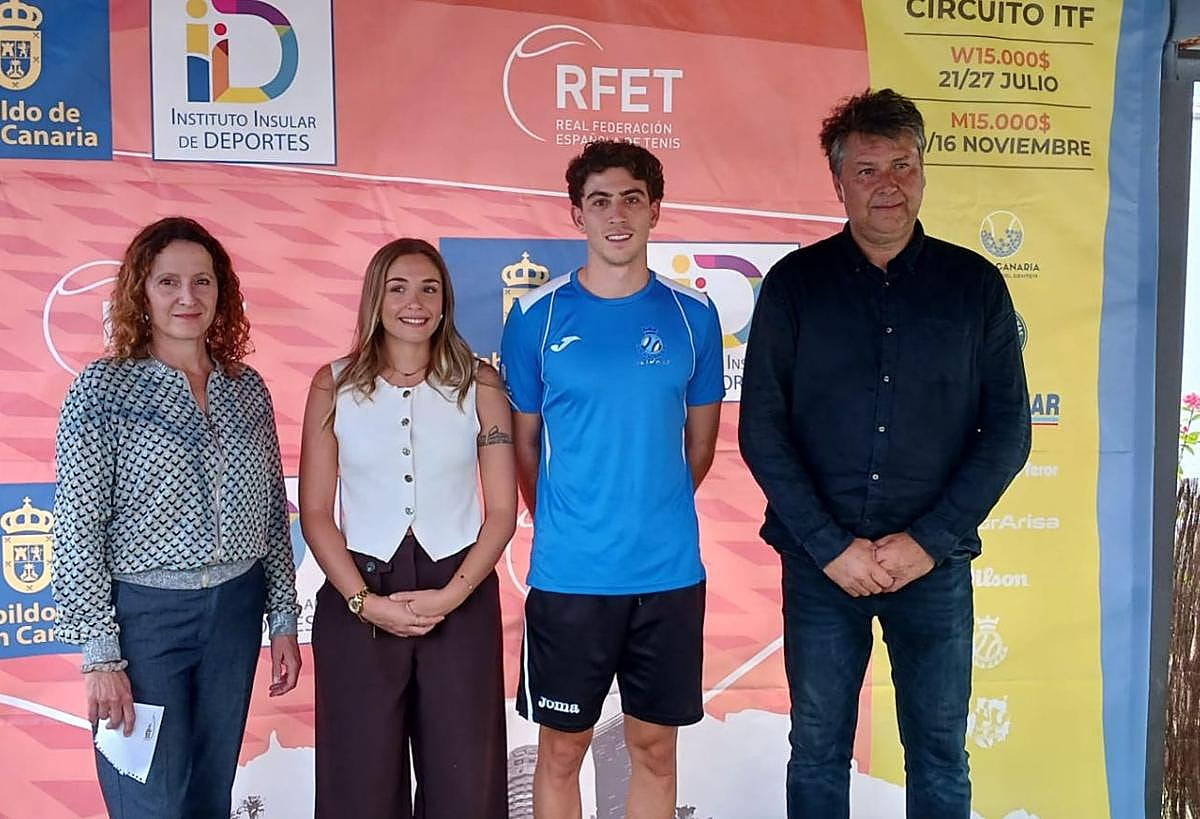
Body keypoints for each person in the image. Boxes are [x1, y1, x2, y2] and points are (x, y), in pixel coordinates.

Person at [738, 88, 1032, 818]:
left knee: (939, 753)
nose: (889, 184)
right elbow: (762, 430)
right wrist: (830, 545)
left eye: (903, 164)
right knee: (816, 749)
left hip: (933, 568)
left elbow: (1009, 432)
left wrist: (928, 542)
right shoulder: (794, 286)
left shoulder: (976, 288)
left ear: (924, 170)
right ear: (838, 183)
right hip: (820, 565)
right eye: (868, 170)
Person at [501, 139, 724, 818]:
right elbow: (524, 444)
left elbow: (702, 445)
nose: (617, 214)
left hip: (667, 575)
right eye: (600, 200)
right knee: (562, 749)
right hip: (571, 577)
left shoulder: (695, 315)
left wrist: (647, 510)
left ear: (656, 209)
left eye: (632, 197)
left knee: (654, 747)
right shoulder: (535, 317)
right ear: (577, 215)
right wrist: (570, 521)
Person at [51, 216, 302, 819]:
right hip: (145, 624)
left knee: (209, 796)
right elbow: (78, 528)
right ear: (141, 291)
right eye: (168, 282)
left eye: (202, 282)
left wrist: (284, 618)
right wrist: (102, 657)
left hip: (235, 618)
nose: (187, 298)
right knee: (149, 804)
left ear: (222, 292)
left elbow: (272, 511)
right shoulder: (103, 389)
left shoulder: (247, 388)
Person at [299, 238, 515, 819]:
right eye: (397, 288)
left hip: (460, 591)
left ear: (446, 301)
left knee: (467, 784)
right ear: (375, 298)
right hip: (359, 592)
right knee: (359, 787)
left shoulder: (482, 384)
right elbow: (315, 512)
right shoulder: (333, 383)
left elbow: (502, 510)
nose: (413, 302)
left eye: (429, 288)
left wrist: (451, 595)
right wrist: (363, 602)